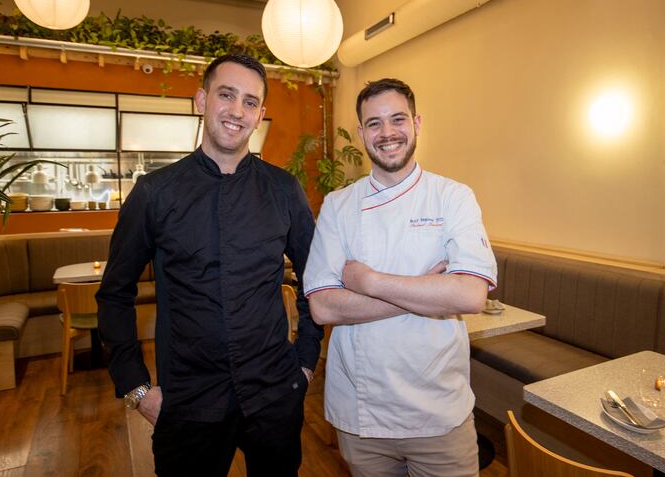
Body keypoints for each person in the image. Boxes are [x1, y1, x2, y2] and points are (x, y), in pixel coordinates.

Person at [96, 53, 323, 477]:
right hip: (189, 401)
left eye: (251, 102)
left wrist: (305, 364)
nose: (237, 111)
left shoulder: (284, 189)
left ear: (260, 115)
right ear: (201, 100)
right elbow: (114, 293)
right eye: (226, 95)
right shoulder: (155, 193)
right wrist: (137, 388)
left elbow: (317, 281)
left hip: (274, 395)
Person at [303, 78, 497, 477]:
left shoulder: (453, 197)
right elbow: (323, 307)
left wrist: (370, 281)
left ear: (417, 123)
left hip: (439, 410)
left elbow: (470, 295)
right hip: (363, 413)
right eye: (374, 123)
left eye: (397, 119)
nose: (387, 133)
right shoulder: (338, 207)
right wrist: (425, 288)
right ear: (360, 133)